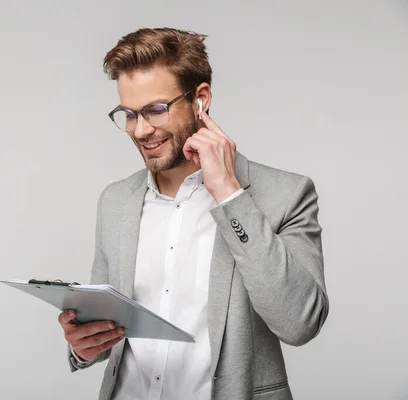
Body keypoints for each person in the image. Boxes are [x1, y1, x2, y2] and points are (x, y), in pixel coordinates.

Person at [57, 27, 329, 400]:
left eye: (155, 110)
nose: (141, 130)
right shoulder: (115, 201)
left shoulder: (286, 194)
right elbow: (106, 330)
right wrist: (84, 345)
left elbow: (300, 324)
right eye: (129, 114)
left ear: (200, 99)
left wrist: (230, 195)